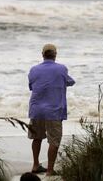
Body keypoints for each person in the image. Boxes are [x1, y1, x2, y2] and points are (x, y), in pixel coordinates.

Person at [27, 43, 75, 176]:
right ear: (55, 54)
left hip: (36, 110)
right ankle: (49, 170)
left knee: (37, 138)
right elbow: (71, 82)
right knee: (54, 140)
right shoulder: (61, 69)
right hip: (54, 110)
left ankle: (36, 165)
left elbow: (31, 86)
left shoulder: (34, 69)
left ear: (42, 55)